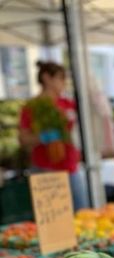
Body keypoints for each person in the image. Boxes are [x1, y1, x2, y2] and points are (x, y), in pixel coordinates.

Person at [19, 61, 89, 210]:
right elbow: (24, 140)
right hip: (44, 169)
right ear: (46, 78)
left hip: (70, 166)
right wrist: (43, 137)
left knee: (82, 212)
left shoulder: (69, 104)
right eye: (60, 78)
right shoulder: (32, 107)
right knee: (53, 221)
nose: (64, 83)